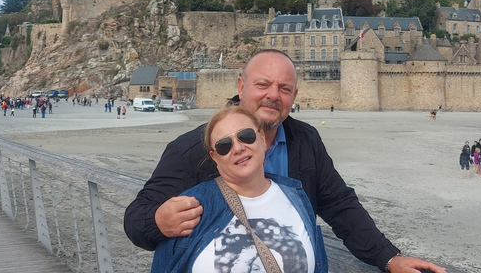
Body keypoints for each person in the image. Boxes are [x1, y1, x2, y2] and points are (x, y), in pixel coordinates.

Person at [124, 49, 446, 273]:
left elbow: (339, 205)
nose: (273, 95)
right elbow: (136, 220)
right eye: (263, 84)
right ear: (241, 86)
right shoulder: (193, 149)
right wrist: (157, 222)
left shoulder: (304, 141)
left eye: (284, 88)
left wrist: (388, 258)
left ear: (294, 96)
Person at [152, 105, 326, 272]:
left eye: (246, 136)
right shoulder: (191, 207)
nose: (238, 148)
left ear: (263, 139)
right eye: (224, 146)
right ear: (214, 157)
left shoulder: (296, 196)